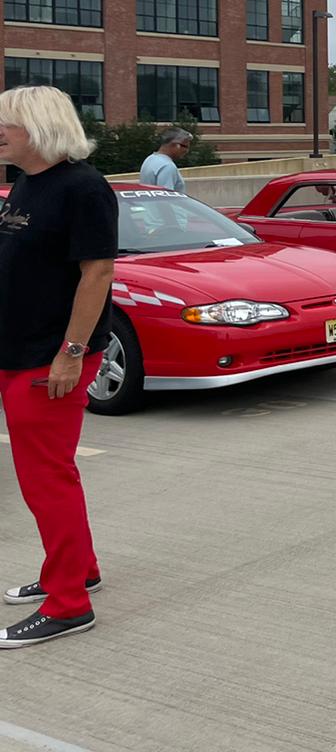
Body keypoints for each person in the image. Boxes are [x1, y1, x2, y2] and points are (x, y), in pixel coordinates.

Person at [0, 86, 116, 648]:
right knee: (52, 474)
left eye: (6, 123)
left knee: (45, 480)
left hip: (51, 358)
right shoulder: (28, 183)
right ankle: (80, 569)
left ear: (39, 126)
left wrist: (70, 355)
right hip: (17, 348)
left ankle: (68, 603)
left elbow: (97, 274)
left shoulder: (83, 187)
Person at [139, 127, 192, 194]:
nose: (186, 151)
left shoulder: (150, 159)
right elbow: (166, 198)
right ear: (175, 144)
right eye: (185, 146)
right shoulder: (167, 166)